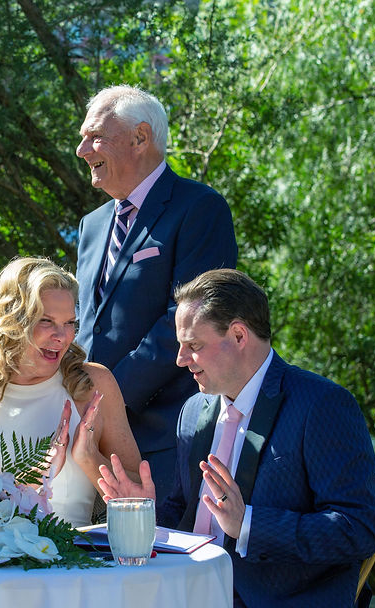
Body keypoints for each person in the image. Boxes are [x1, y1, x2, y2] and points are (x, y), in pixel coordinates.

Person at [98, 269, 375, 608]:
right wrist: (141, 512)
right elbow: (185, 513)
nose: (182, 360)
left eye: (193, 345)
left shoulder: (321, 406)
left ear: (238, 335)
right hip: (185, 591)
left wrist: (247, 523)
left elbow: (359, 527)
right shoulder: (193, 411)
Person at [74, 85, 238, 501]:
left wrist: (109, 400)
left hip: (163, 438)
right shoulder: (91, 225)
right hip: (86, 436)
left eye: (94, 137)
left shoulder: (199, 208)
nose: (81, 150)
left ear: (140, 138)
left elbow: (186, 323)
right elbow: (85, 324)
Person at [0, 257, 141, 527]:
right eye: (46, 321)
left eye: (70, 323)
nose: (62, 336)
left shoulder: (93, 385)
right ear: (12, 321)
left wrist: (89, 459)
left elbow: (140, 500)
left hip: (81, 565)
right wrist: (28, 481)